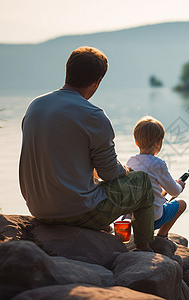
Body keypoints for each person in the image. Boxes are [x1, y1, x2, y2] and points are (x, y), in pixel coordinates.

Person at [19, 46, 155, 251]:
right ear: (97, 81)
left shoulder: (35, 106)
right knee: (143, 182)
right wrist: (127, 171)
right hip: (77, 212)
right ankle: (143, 249)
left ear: (68, 71)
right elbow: (109, 173)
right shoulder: (93, 115)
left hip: (38, 209)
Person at [126, 116, 187, 240]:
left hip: (134, 219)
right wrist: (180, 185)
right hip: (153, 220)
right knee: (181, 204)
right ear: (159, 143)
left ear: (136, 142)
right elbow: (174, 192)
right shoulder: (158, 164)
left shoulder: (131, 162)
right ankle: (162, 236)